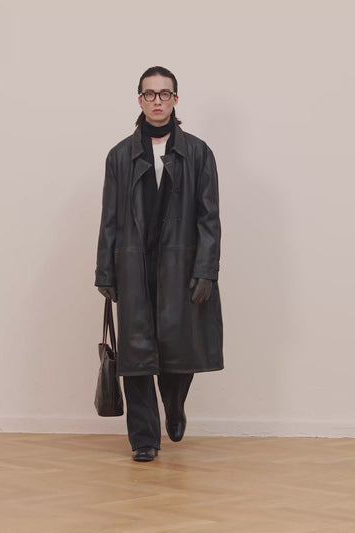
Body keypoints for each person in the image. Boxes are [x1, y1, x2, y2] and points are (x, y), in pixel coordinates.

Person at [95, 66, 223, 462]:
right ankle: (144, 439)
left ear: (175, 100)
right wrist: (105, 271)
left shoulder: (198, 152)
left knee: (179, 348)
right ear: (140, 100)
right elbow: (110, 218)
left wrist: (206, 269)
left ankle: (174, 401)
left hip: (181, 265)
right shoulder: (120, 155)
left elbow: (209, 218)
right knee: (136, 355)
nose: (156, 100)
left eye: (164, 93)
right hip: (133, 264)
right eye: (149, 94)